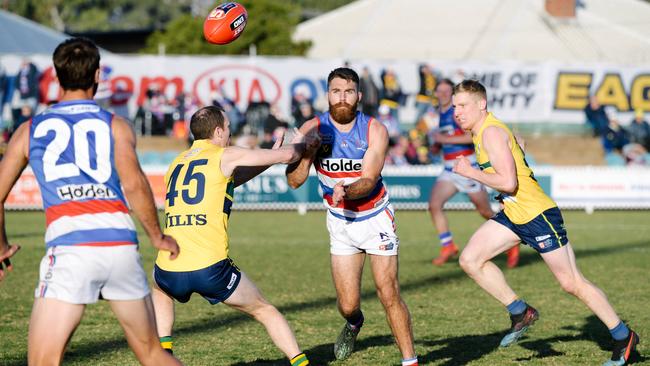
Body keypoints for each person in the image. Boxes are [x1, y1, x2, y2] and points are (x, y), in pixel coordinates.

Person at [0, 38, 182, 365]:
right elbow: (135, 184)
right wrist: (157, 235)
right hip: (120, 248)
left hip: (72, 250)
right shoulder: (117, 125)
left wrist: (0, 246)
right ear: (97, 75)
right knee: (153, 354)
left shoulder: (30, 130)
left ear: (56, 78)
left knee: (43, 361)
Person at [451, 80, 639, 366]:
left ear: (482, 104)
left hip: (537, 215)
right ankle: (520, 312)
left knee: (572, 283)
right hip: (515, 215)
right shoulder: (486, 130)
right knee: (470, 259)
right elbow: (514, 153)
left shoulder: (489, 132)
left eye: (463, 105)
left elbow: (508, 181)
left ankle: (623, 336)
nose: (457, 112)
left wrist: (470, 171)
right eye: (454, 106)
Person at [152, 105, 312, 366]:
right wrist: (303, 144)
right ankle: (300, 362)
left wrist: (267, 159)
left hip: (169, 266)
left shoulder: (177, 163)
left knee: (160, 289)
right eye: (227, 128)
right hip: (210, 267)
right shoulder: (225, 154)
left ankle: (163, 352)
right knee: (264, 309)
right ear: (217, 131)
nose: (229, 133)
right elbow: (289, 156)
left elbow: (225, 181)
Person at [286, 67, 418, 366]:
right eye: (336, 91)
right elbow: (294, 181)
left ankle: (410, 361)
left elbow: (369, 178)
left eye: (348, 92)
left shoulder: (374, 129)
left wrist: (347, 190)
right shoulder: (312, 127)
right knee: (348, 305)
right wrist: (308, 153)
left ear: (359, 96)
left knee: (389, 292)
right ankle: (355, 323)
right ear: (328, 95)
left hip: (375, 216)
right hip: (340, 223)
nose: (342, 98)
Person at [428, 79, 519, 268]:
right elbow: (447, 138)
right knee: (434, 205)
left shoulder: (458, 114)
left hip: (465, 167)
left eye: (447, 91)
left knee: (484, 210)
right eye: (440, 91)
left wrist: (442, 139)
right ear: (436, 93)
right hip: (449, 168)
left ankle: (511, 239)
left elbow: (470, 136)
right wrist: (437, 145)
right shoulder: (440, 113)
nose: (443, 94)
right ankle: (448, 246)